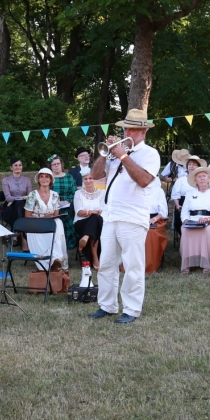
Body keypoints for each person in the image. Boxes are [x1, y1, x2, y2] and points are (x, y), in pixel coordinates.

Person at [87, 109, 161, 324]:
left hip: (133, 216)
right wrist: (105, 153)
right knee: (107, 263)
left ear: (143, 131)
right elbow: (96, 175)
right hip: (110, 216)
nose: (127, 131)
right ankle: (107, 305)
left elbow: (144, 180)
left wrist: (123, 156)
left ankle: (131, 309)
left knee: (132, 265)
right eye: (125, 128)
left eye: (132, 129)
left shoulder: (149, 153)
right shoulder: (116, 152)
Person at [179, 166, 210, 274]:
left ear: (209, 179)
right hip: (192, 220)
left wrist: (209, 218)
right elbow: (184, 211)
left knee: (206, 230)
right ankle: (187, 264)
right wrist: (185, 220)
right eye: (199, 177)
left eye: (204, 176)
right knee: (185, 230)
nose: (202, 178)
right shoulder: (190, 194)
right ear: (195, 180)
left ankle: (206, 264)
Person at [24, 168, 68, 272]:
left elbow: (56, 214)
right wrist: (42, 217)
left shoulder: (55, 195)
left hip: (50, 222)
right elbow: (27, 215)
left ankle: (57, 259)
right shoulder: (32, 195)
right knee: (56, 223)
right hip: (36, 224)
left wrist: (51, 215)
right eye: (41, 176)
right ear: (38, 179)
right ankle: (50, 261)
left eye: (47, 176)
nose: (44, 179)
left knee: (58, 221)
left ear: (51, 180)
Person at [72, 173, 104, 277]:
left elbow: (105, 209)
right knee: (94, 219)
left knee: (96, 219)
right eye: (85, 179)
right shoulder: (78, 193)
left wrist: (95, 213)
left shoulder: (102, 193)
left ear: (94, 179)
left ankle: (86, 237)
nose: (88, 180)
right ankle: (95, 259)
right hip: (81, 222)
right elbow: (79, 212)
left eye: (90, 178)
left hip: (99, 222)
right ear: (83, 180)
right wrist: (91, 212)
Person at [48, 154, 77, 249]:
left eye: (58, 164)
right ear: (51, 166)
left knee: (67, 213)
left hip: (68, 205)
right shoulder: (48, 178)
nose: (56, 166)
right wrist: (57, 201)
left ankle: (68, 241)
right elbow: (45, 193)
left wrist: (67, 201)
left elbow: (74, 192)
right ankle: (56, 241)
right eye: (54, 164)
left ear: (61, 165)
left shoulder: (69, 177)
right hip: (52, 205)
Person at [143, 182, 169, 275]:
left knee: (151, 234)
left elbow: (163, 211)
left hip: (155, 220)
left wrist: (153, 219)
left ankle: (149, 265)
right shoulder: (133, 189)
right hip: (137, 218)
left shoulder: (158, 191)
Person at [1, 156, 31, 231]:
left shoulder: (27, 180)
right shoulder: (6, 180)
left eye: (20, 165)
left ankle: (14, 232)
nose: (18, 167)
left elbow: (30, 196)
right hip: (10, 206)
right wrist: (23, 197)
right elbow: (8, 198)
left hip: (24, 205)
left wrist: (15, 199)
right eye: (15, 165)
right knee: (18, 205)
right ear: (11, 168)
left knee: (19, 204)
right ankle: (21, 233)